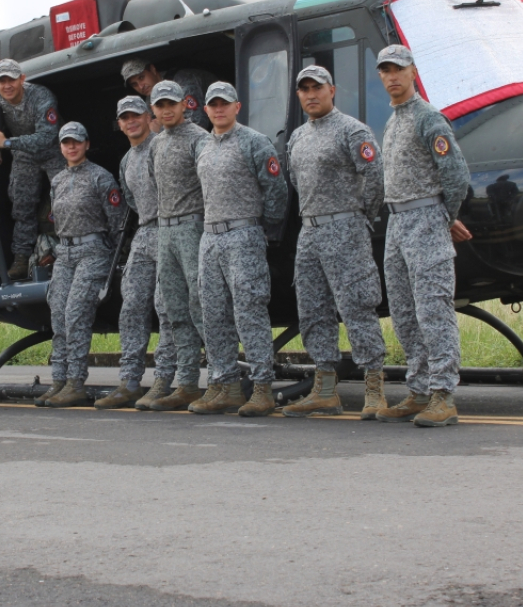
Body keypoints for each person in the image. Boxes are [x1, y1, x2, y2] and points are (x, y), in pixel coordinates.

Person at [370, 45, 472, 428]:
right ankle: (419, 390)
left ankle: (443, 394)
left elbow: (456, 174)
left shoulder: (429, 118)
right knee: (404, 312)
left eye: (399, 69)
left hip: (425, 218)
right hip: (397, 222)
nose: (392, 76)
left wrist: (444, 216)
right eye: (386, 71)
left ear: (413, 72)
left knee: (433, 309)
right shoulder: (393, 121)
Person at [282, 66, 388, 419]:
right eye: (305, 89)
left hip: (346, 228)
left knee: (357, 306)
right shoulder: (297, 137)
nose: (311, 94)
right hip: (309, 231)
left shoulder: (352, 130)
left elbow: (374, 177)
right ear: (299, 95)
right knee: (312, 311)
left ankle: (374, 387)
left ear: (332, 91)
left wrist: (360, 218)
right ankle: (325, 390)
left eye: (318, 87)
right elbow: (296, 181)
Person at [189, 82, 288, 417]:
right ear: (205, 110)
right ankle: (226, 384)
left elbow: (276, 191)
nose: (219, 109)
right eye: (213, 105)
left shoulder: (254, 142)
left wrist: (266, 232)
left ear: (237, 107)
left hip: (244, 234)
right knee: (213, 314)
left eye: (225, 104)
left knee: (249, 311)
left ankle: (262, 387)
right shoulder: (203, 146)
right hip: (210, 238)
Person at [37, 121, 127, 408]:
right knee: (58, 314)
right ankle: (59, 381)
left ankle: (76, 382)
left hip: (93, 252)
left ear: (87, 144)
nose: (72, 147)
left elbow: (118, 222)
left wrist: (113, 257)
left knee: (76, 314)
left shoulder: (101, 178)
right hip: (65, 254)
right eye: (66, 142)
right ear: (61, 147)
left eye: (77, 141)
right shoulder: (57, 181)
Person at [138, 80, 211, 411]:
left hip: (193, 226)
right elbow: (155, 184)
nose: (166, 110)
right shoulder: (155, 145)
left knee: (202, 304)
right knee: (174, 308)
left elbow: (210, 185)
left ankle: (226, 378)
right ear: (153, 109)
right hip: (165, 231)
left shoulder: (199, 139)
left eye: (172, 104)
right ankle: (187, 383)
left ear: (185, 104)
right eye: (160, 105)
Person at [94, 95, 170, 409]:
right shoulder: (127, 160)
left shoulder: (163, 147)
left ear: (147, 115)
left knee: (167, 306)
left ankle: (164, 380)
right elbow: (132, 201)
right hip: (145, 231)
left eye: (136, 115)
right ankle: (129, 381)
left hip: (171, 230)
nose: (131, 121)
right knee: (132, 305)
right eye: (124, 118)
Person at [0, 58, 64, 281]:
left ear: (22, 79)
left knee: (66, 198)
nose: (7, 86)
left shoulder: (41, 96)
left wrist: (7, 144)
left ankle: (71, 248)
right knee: (22, 205)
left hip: (54, 150)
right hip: (23, 155)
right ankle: (21, 257)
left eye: (12, 80)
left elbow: (47, 137)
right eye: (2, 81)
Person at [120, 58, 213, 131]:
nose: (140, 86)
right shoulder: (150, 98)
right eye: (134, 84)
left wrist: (162, 128)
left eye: (141, 77)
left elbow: (198, 122)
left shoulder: (183, 82)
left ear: (152, 69)